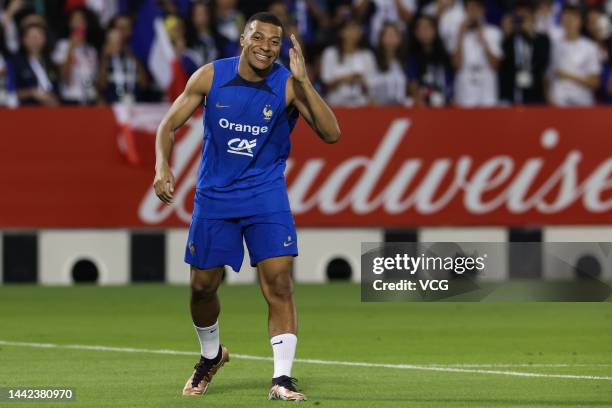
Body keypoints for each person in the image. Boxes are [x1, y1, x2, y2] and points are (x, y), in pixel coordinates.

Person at [153, 12, 340, 401]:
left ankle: (282, 379)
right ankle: (211, 356)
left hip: (265, 197)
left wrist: (305, 81)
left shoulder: (288, 85)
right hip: (215, 198)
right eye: (259, 38)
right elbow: (168, 125)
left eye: (274, 42)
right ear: (243, 38)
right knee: (202, 287)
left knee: (279, 283)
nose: (266, 47)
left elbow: (331, 134)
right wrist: (162, 164)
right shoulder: (209, 76)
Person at [451, 0, 502, 107]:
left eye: (476, 8)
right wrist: (460, 35)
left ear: (483, 11)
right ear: (465, 11)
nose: (473, 12)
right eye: (470, 9)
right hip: (465, 94)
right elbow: (456, 64)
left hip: (487, 93)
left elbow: (495, 64)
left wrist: (484, 41)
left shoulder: (493, 32)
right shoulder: (457, 34)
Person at [548, 5, 601, 106]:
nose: (569, 21)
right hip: (558, 104)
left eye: (573, 17)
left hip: (582, 104)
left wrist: (567, 75)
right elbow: (547, 77)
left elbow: (595, 82)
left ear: (581, 21)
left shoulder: (590, 47)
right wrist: (549, 98)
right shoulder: (553, 45)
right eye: (566, 16)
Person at [499, 2, 550, 105]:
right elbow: (504, 65)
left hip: (535, 94)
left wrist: (530, 37)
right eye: (519, 18)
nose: (521, 22)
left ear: (533, 19)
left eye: (525, 17)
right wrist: (508, 34)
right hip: (513, 93)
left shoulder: (542, 39)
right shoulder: (510, 39)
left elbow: (543, 63)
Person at [320, 17, 376, 106]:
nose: (354, 32)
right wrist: (342, 79)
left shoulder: (367, 55)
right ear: (341, 32)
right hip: (335, 104)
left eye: (357, 29)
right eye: (350, 28)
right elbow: (326, 85)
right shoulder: (330, 53)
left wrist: (360, 80)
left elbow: (372, 86)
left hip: (360, 104)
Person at [52, 7, 98, 105]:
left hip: (90, 99)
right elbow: (64, 76)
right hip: (70, 99)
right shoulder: (62, 45)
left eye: (81, 20)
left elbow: (95, 79)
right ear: (70, 24)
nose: (78, 23)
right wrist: (71, 48)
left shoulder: (92, 50)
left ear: (86, 24)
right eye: (75, 20)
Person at [408, 14, 453, 107]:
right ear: (416, 33)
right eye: (421, 28)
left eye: (428, 27)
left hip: (445, 106)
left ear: (435, 30)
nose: (425, 31)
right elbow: (413, 83)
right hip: (423, 107)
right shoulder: (412, 57)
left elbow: (450, 83)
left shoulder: (444, 56)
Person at [13, 22, 59, 106]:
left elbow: (58, 88)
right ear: (23, 39)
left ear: (45, 39)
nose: (34, 40)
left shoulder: (51, 62)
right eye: (31, 37)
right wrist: (31, 92)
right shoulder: (15, 62)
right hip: (26, 111)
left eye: (38, 36)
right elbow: (10, 92)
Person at [371, 21, 408, 105]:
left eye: (394, 35)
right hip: (378, 108)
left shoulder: (405, 62)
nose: (391, 38)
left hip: (401, 109)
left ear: (400, 39)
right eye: (388, 35)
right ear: (381, 38)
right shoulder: (373, 61)